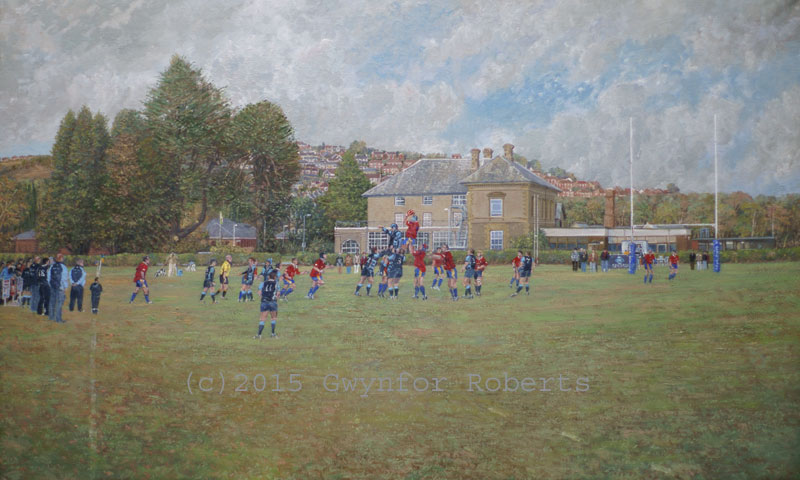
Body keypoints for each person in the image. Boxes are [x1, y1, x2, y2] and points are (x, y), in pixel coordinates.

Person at [254, 269, 281, 339]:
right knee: (273, 318)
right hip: (272, 302)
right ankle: (273, 333)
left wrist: (263, 297)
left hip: (264, 302)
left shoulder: (263, 283)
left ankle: (259, 335)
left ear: (268, 277)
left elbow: (259, 293)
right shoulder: (277, 284)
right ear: (275, 277)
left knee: (262, 318)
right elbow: (278, 294)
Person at [47, 253, 69, 323]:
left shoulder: (52, 266)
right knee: (59, 303)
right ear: (61, 258)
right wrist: (65, 287)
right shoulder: (63, 267)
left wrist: (50, 285)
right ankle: (58, 319)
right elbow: (64, 278)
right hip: (60, 287)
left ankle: (51, 317)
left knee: (52, 302)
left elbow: (48, 277)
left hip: (53, 286)